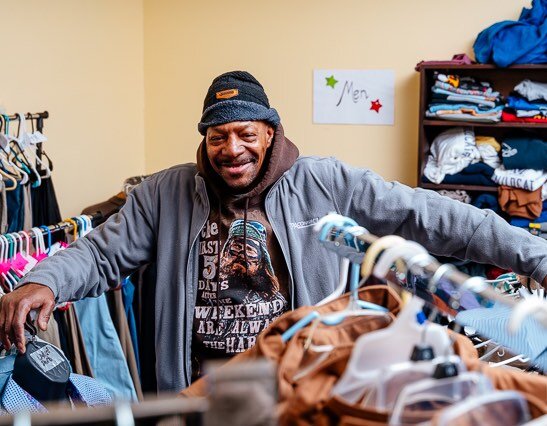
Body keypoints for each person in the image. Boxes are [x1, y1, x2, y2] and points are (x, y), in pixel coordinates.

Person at [0, 71, 546, 393]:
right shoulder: (165, 194)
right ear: (205, 140)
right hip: (200, 390)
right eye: (218, 136)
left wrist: (533, 255)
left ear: (270, 132)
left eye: (244, 133)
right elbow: (98, 254)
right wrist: (44, 281)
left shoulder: (325, 181)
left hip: (300, 382)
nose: (230, 149)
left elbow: (433, 216)